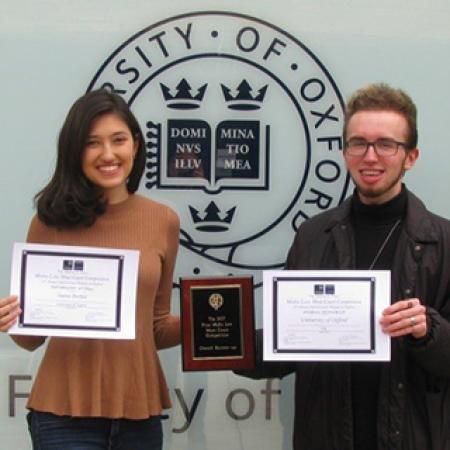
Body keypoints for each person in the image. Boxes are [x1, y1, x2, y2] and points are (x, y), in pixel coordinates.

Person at [236, 83, 450, 449]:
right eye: (358, 143)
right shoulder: (313, 235)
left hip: (413, 436)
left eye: (386, 144)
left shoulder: (443, 242)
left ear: (410, 157)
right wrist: (223, 342)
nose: (370, 156)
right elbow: (287, 341)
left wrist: (428, 330)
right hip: (325, 435)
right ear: (344, 150)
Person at [0, 89, 180, 450]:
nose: (108, 154)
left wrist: (209, 320)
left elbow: (155, 328)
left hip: (139, 415)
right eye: (92, 143)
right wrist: (13, 319)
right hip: (63, 415)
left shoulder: (163, 220)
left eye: (118, 140)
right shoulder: (49, 221)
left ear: (136, 145)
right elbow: (31, 338)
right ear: (74, 152)